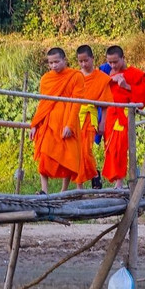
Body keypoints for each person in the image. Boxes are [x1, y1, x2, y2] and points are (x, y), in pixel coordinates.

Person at [30, 47, 85, 193]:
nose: (53, 65)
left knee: (68, 156)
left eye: (56, 62)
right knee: (44, 154)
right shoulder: (46, 79)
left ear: (64, 60)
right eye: (50, 63)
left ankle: (63, 190)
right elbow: (43, 103)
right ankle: (44, 190)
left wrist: (70, 125)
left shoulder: (76, 76)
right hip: (48, 121)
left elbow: (76, 102)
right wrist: (35, 124)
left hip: (67, 120)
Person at [102, 45, 145, 188]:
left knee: (120, 147)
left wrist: (126, 86)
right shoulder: (106, 71)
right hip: (110, 116)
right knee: (110, 147)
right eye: (110, 62)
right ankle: (117, 180)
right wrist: (110, 80)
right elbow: (97, 85)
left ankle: (120, 182)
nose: (112, 65)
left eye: (115, 62)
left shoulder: (134, 73)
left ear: (123, 58)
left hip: (124, 115)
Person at [76, 44, 114, 189]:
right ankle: (80, 186)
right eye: (80, 61)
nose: (84, 64)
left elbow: (104, 104)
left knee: (86, 151)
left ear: (92, 59)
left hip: (90, 118)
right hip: (76, 118)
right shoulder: (75, 76)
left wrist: (102, 122)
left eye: (86, 60)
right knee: (77, 153)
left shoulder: (101, 78)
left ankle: (93, 174)